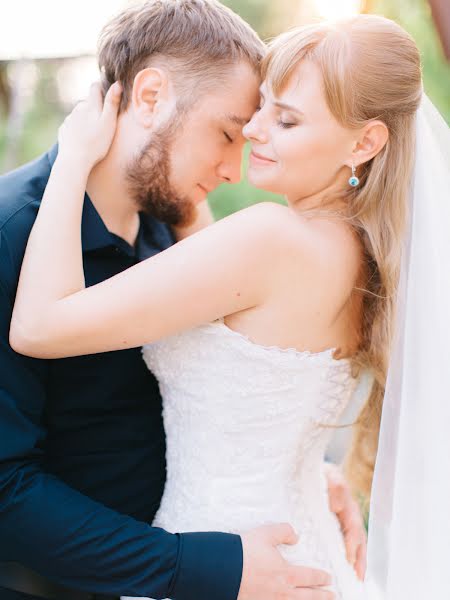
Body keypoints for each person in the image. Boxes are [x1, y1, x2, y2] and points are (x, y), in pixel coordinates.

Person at [0, 2, 366, 600]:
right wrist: (199, 565)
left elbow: (198, 394)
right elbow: (5, 491)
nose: (232, 169)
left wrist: (293, 466)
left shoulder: (170, 229)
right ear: (150, 97)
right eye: (226, 134)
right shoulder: (9, 236)